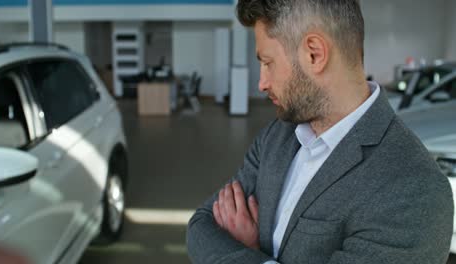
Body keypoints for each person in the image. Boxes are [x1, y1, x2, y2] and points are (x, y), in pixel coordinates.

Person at [186, 0, 453, 263]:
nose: (261, 83)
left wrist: (251, 255)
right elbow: (201, 225)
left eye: (268, 62)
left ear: (314, 54)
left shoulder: (415, 192)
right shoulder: (277, 136)